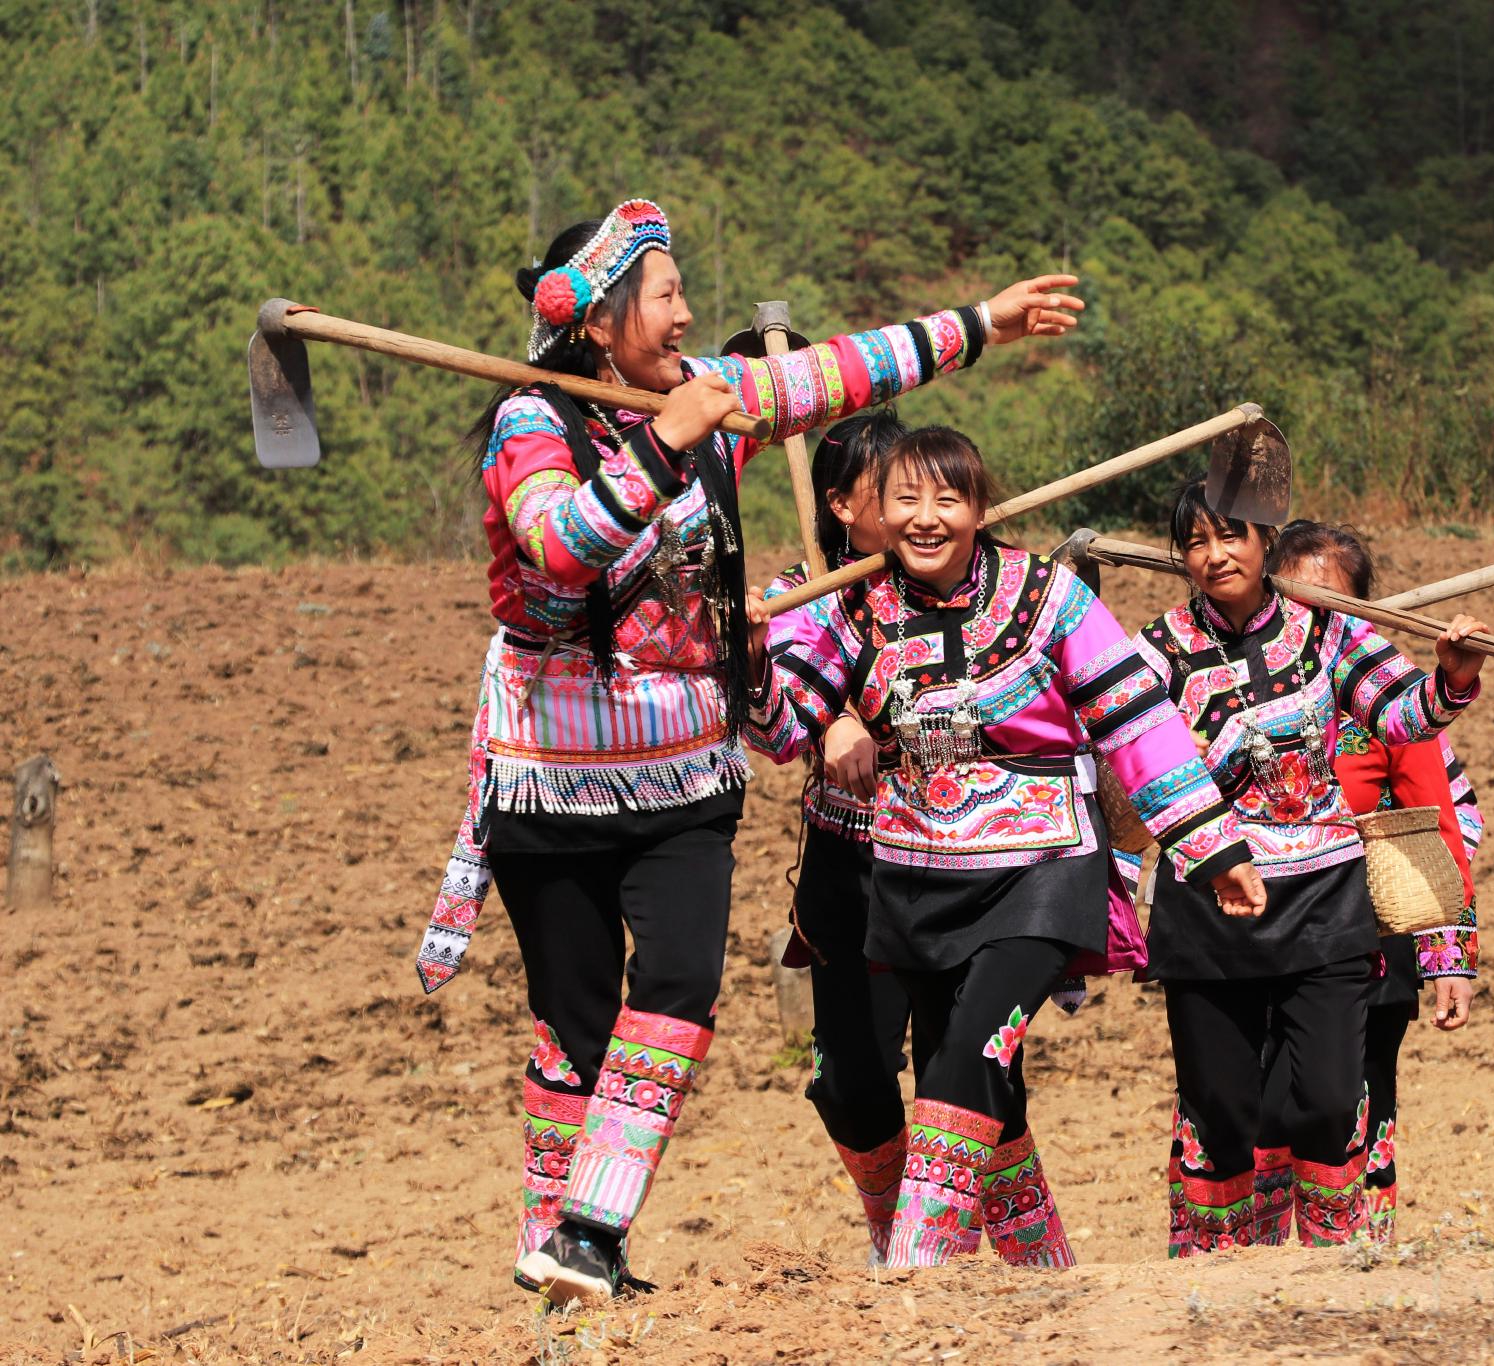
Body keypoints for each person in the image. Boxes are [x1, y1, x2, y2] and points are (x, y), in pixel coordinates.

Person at [410, 195, 1088, 1303]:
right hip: (551, 773)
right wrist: (658, 450)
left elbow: (837, 374)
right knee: (574, 1017)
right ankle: (562, 1250)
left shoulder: (704, 400)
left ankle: (591, 1223)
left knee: (678, 982)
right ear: (598, 315)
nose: (684, 315)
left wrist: (983, 323)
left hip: (683, 772)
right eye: (664, 294)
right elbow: (554, 545)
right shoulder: (532, 422)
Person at [748, 429, 1263, 1268]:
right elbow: (779, 731)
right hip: (909, 873)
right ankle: (1042, 1276)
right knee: (959, 1075)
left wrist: (1210, 848)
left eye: (946, 500)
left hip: (1039, 869)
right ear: (871, 512)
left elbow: (1136, 719)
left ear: (981, 509)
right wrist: (748, 650)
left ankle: (917, 1270)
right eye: (904, 501)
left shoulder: (1048, 596)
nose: (924, 519)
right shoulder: (848, 606)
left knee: (967, 1052)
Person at [1130, 483, 1491, 1255]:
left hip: (1325, 896)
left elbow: (1399, 715)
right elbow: (1125, 757)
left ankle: (1334, 1265)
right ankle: (1223, 1276)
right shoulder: (1155, 650)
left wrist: (1450, 677)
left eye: (1230, 536)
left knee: (1330, 1099)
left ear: (1265, 542)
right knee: (1221, 1108)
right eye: (1195, 542)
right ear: (1180, 558)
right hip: (1210, 902)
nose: (1215, 554)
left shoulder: (1324, 634)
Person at [1249, 520, 1481, 1246]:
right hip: (1256, 919)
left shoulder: (1386, 692)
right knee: (1247, 1088)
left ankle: (1355, 1252)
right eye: (1295, 596)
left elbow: (1434, 817)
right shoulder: (1234, 676)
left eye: (1333, 602)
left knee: (1358, 1086)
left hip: (1367, 925)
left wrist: (1451, 955)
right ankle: (1244, 1254)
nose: (1312, 616)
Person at [752, 412, 916, 1263]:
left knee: (979, 1071)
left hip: (966, 864)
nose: (920, 509)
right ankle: (893, 1228)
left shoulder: (959, 583)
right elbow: (780, 711)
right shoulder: (798, 597)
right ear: (844, 504)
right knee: (848, 1082)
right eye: (897, 490)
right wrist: (830, 726)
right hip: (852, 872)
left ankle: (1012, 1246)